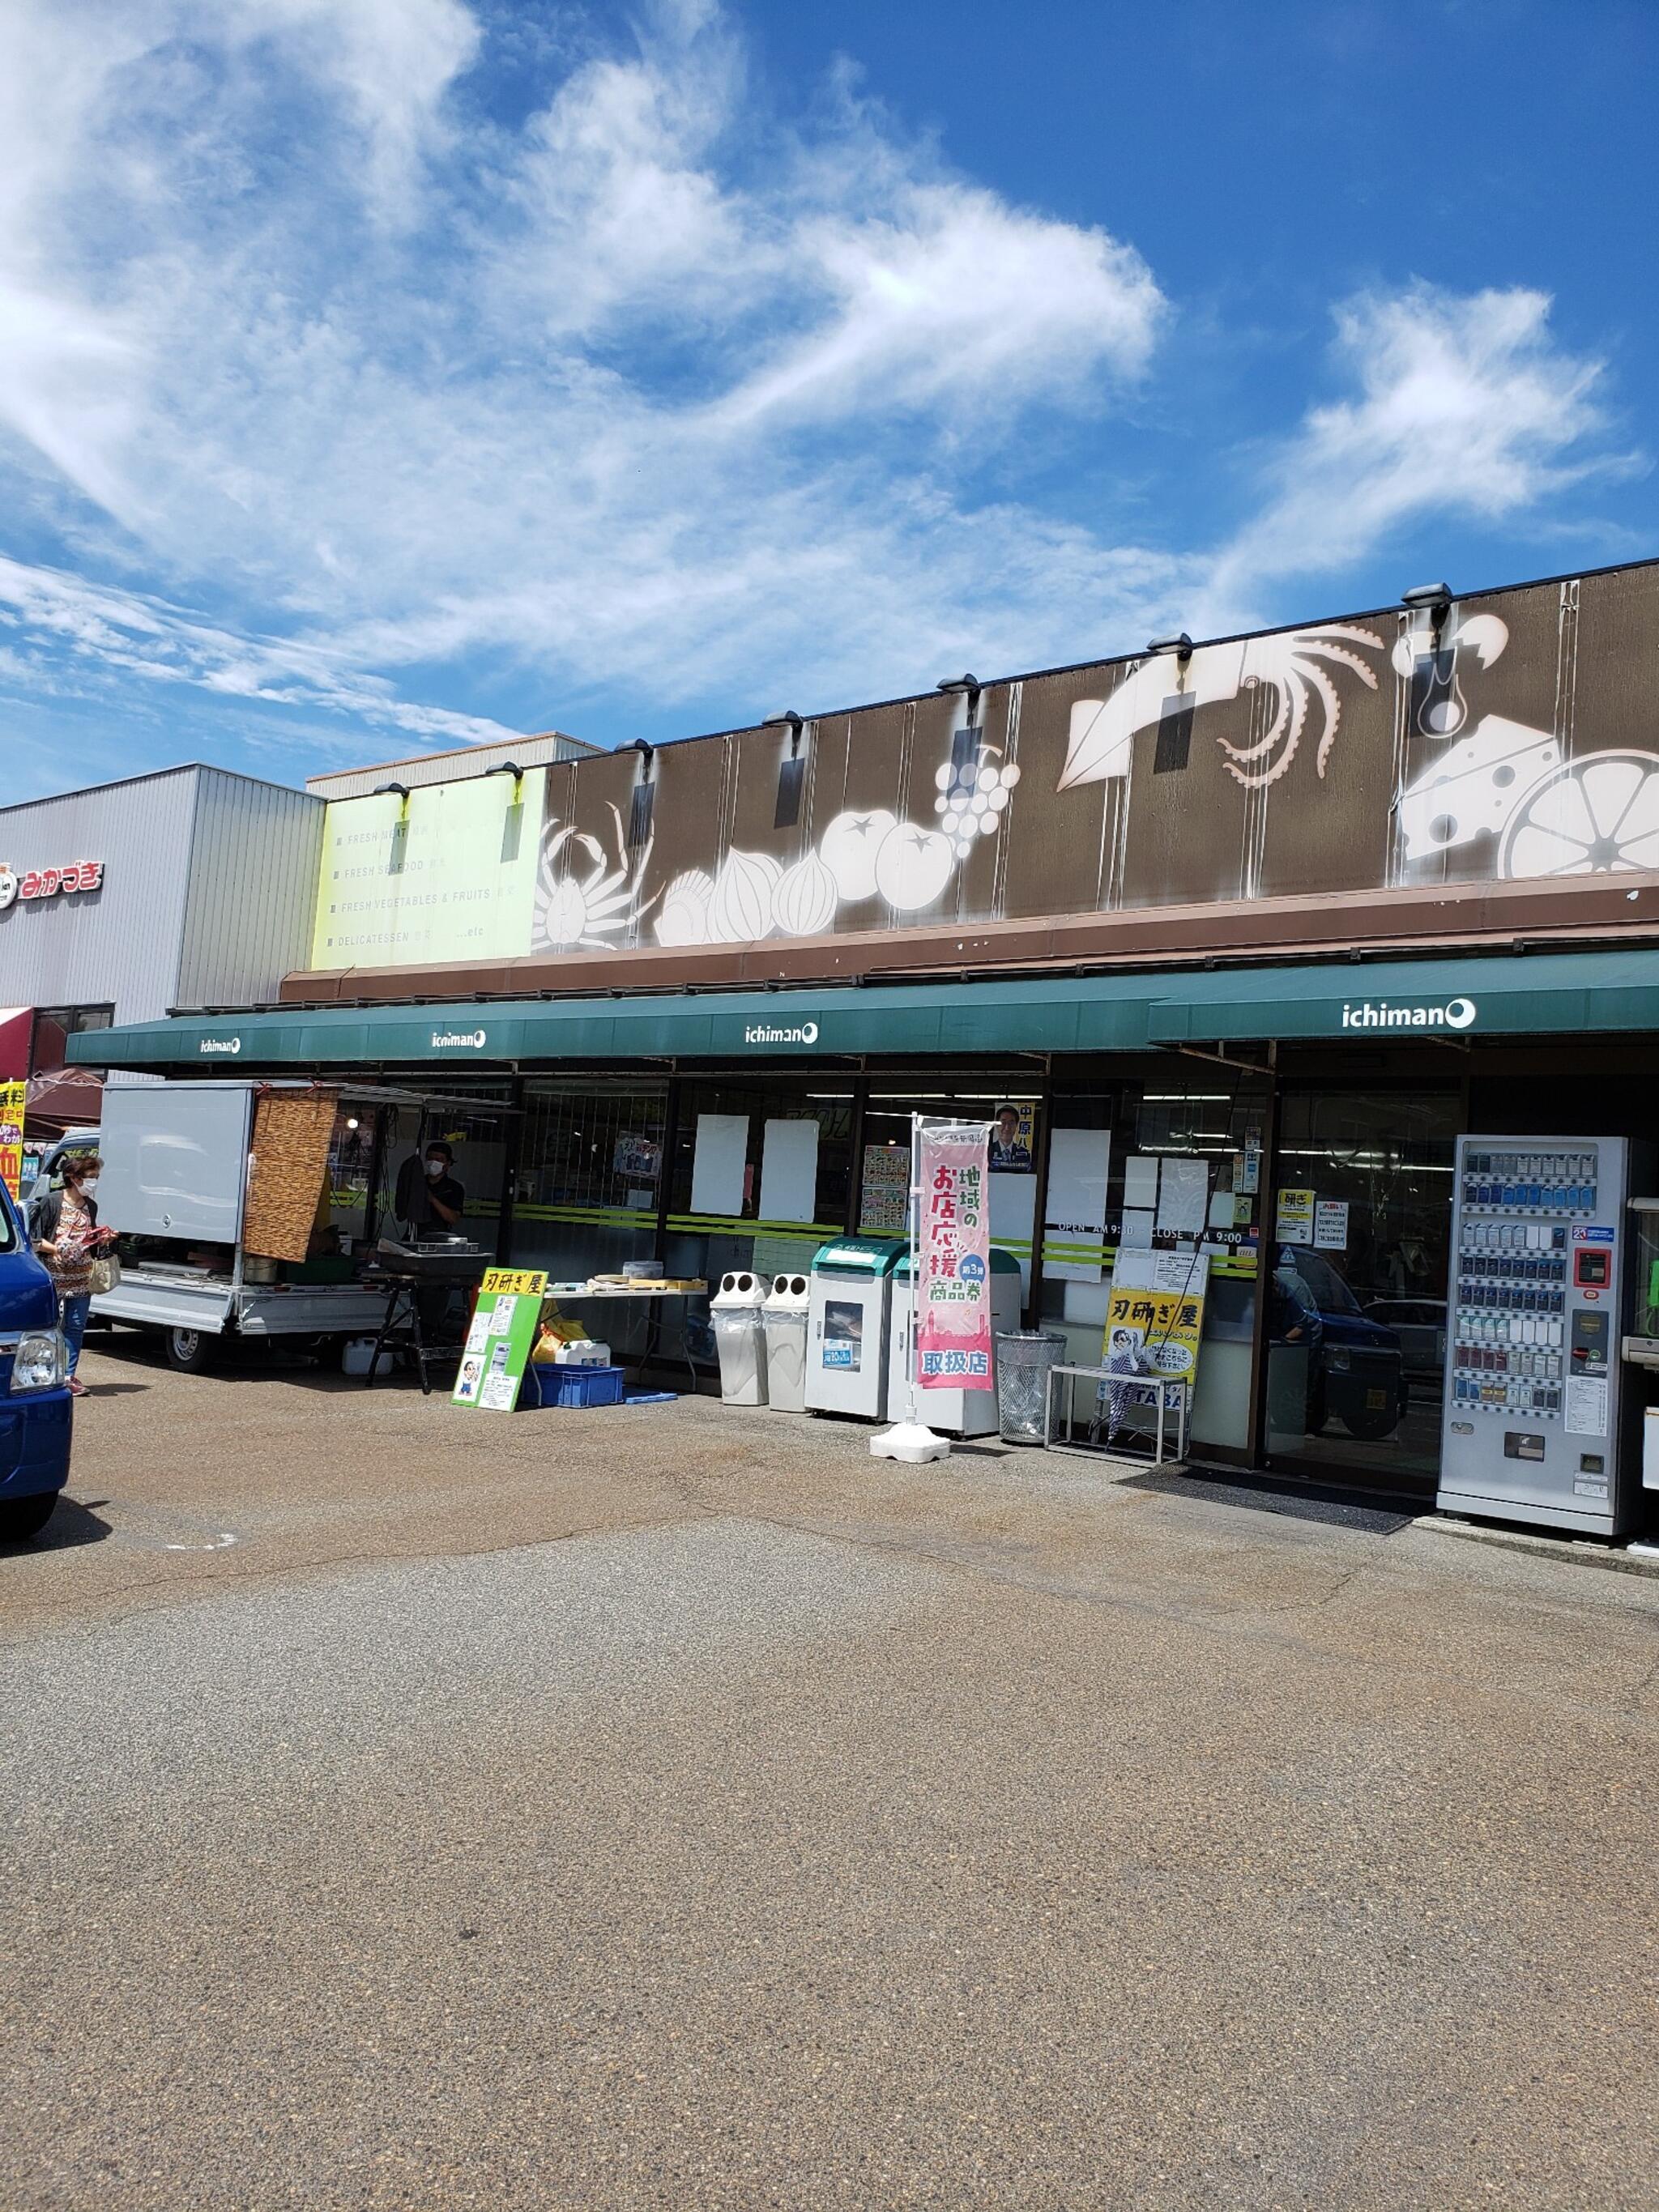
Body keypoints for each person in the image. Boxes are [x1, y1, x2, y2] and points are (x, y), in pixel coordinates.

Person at [28, 1153, 115, 1396]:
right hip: (53, 1275)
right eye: (91, 1178)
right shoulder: (51, 1202)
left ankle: (68, 1375)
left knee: (76, 1326)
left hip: (82, 1276)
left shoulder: (91, 1206)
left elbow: (92, 1243)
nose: (94, 1182)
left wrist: (104, 1238)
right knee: (49, 1326)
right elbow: (34, 1238)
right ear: (74, 1178)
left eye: (96, 1178)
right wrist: (57, 1249)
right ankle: (42, 1374)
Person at [394, 1140, 466, 1237]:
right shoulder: (417, 1182)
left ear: (448, 1164)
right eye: (430, 1159)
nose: (433, 1162)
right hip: (414, 1234)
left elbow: (453, 1219)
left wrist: (431, 1199)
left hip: (439, 1236)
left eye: (439, 1160)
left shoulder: (454, 1187)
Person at [990, 1104, 1032, 1171]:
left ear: (1016, 1126)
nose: (1007, 1128)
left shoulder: (1024, 1153)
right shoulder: (987, 1151)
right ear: (997, 1125)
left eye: (1011, 1123)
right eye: (1003, 1123)